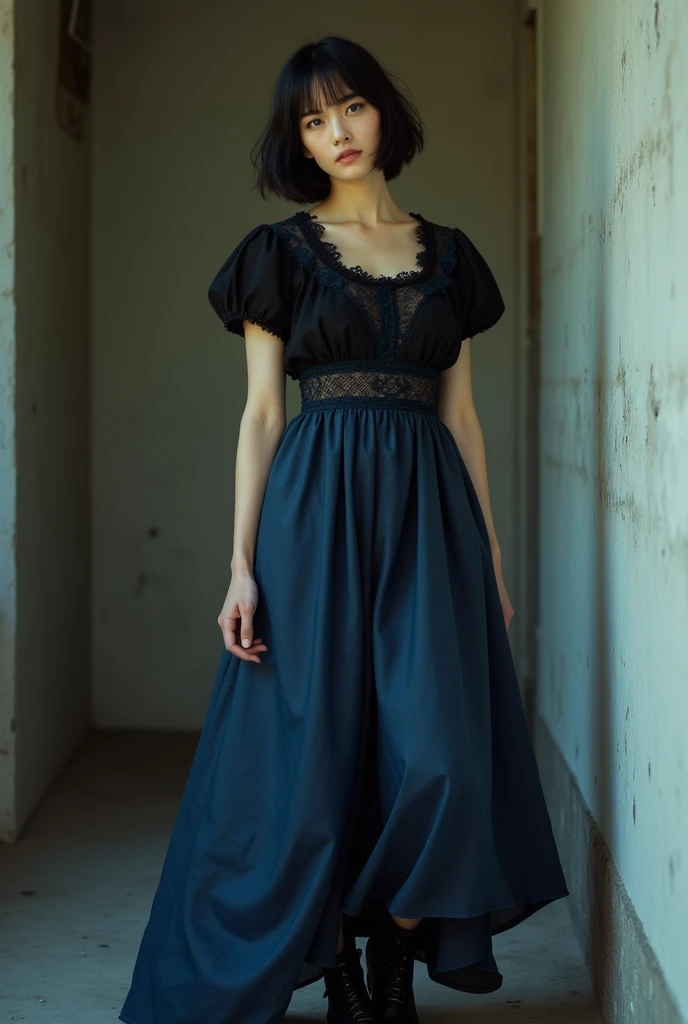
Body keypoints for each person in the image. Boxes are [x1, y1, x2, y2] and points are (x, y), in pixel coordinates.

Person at [119, 34, 569, 1024]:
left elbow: (460, 415)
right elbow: (262, 417)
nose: (337, 133)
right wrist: (241, 565)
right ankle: (341, 970)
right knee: (312, 756)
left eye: (351, 107)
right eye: (312, 120)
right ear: (298, 140)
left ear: (383, 114)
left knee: (441, 756)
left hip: (431, 518)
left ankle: (400, 949)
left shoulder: (451, 257)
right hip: (312, 518)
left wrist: (487, 549)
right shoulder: (276, 256)